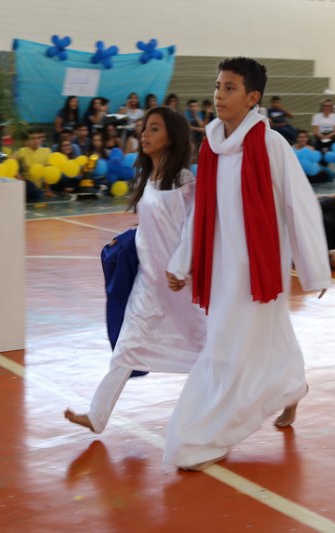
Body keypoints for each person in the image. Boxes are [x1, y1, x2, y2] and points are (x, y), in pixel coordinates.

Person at [163, 57, 331, 471]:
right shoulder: (211, 145)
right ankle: (291, 386)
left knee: (230, 350)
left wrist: (314, 269)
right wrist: (182, 261)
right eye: (218, 86)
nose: (219, 95)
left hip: (258, 268)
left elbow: (299, 205)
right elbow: (201, 210)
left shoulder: (271, 145)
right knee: (255, 338)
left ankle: (207, 437)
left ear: (252, 97)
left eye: (230, 88)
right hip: (222, 268)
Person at [64, 107, 206, 434]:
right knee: (126, 349)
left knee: (212, 350)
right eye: (144, 128)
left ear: (172, 136)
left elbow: (193, 230)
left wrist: (181, 268)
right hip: (148, 283)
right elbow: (153, 225)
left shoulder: (184, 181)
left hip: (178, 284)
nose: (144, 135)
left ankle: (278, 388)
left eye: (154, 129)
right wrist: (129, 240)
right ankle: (97, 415)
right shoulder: (147, 177)